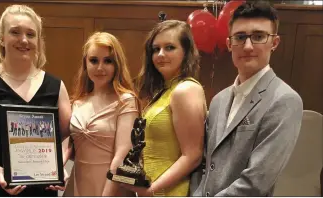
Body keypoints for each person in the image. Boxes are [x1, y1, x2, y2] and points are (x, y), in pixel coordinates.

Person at [0, 4, 71, 196]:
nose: (23, 40)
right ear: (2, 38)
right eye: (15, 32)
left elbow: (67, 136)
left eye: (31, 34)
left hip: (42, 187)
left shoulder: (56, 86)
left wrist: (59, 166)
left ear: (38, 41)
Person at [190, 1, 303, 196]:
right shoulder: (218, 100)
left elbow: (257, 182)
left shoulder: (285, 100)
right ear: (229, 43)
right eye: (240, 37)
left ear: (274, 43)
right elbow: (204, 165)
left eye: (258, 36)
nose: (248, 46)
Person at [122, 19, 207, 196]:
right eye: (156, 49)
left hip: (171, 191)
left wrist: (153, 189)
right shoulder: (165, 90)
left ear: (186, 52)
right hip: (155, 189)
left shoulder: (185, 90)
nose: (160, 54)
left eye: (170, 47)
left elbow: (193, 156)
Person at [65, 32, 138, 196]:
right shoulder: (77, 102)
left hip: (112, 187)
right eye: (94, 60)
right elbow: (68, 147)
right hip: (78, 184)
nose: (100, 67)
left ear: (116, 65)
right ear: (85, 63)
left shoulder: (126, 101)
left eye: (108, 61)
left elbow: (122, 155)